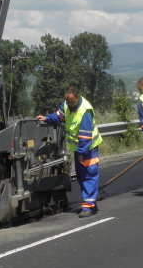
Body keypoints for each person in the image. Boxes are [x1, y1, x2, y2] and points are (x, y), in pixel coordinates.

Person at [36, 86, 102, 218]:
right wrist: (47, 118)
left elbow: (85, 136)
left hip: (88, 147)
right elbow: (59, 116)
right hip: (79, 148)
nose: (69, 103)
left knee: (89, 174)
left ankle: (88, 207)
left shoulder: (85, 110)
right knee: (81, 175)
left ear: (78, 96)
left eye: (72, 101)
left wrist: (82, 153)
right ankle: (89, 202)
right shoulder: (66, 105)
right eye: (67, 101)